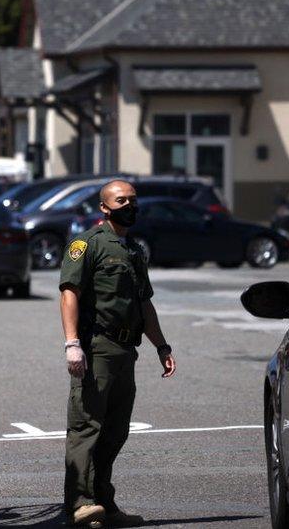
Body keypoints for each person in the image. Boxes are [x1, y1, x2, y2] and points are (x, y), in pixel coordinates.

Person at [60, 180, 176, 527]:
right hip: (96, 347)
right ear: (104, 207)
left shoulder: (134, 250)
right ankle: (80, 502)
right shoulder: (88, 244)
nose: (130, 206)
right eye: (121, 200)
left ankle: (103, 503)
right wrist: (72, 344)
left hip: (127, 350)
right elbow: (69, 293)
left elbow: (144, 303)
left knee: (115, 430)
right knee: (86, 427)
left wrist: (162, 345)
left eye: (133, 200)